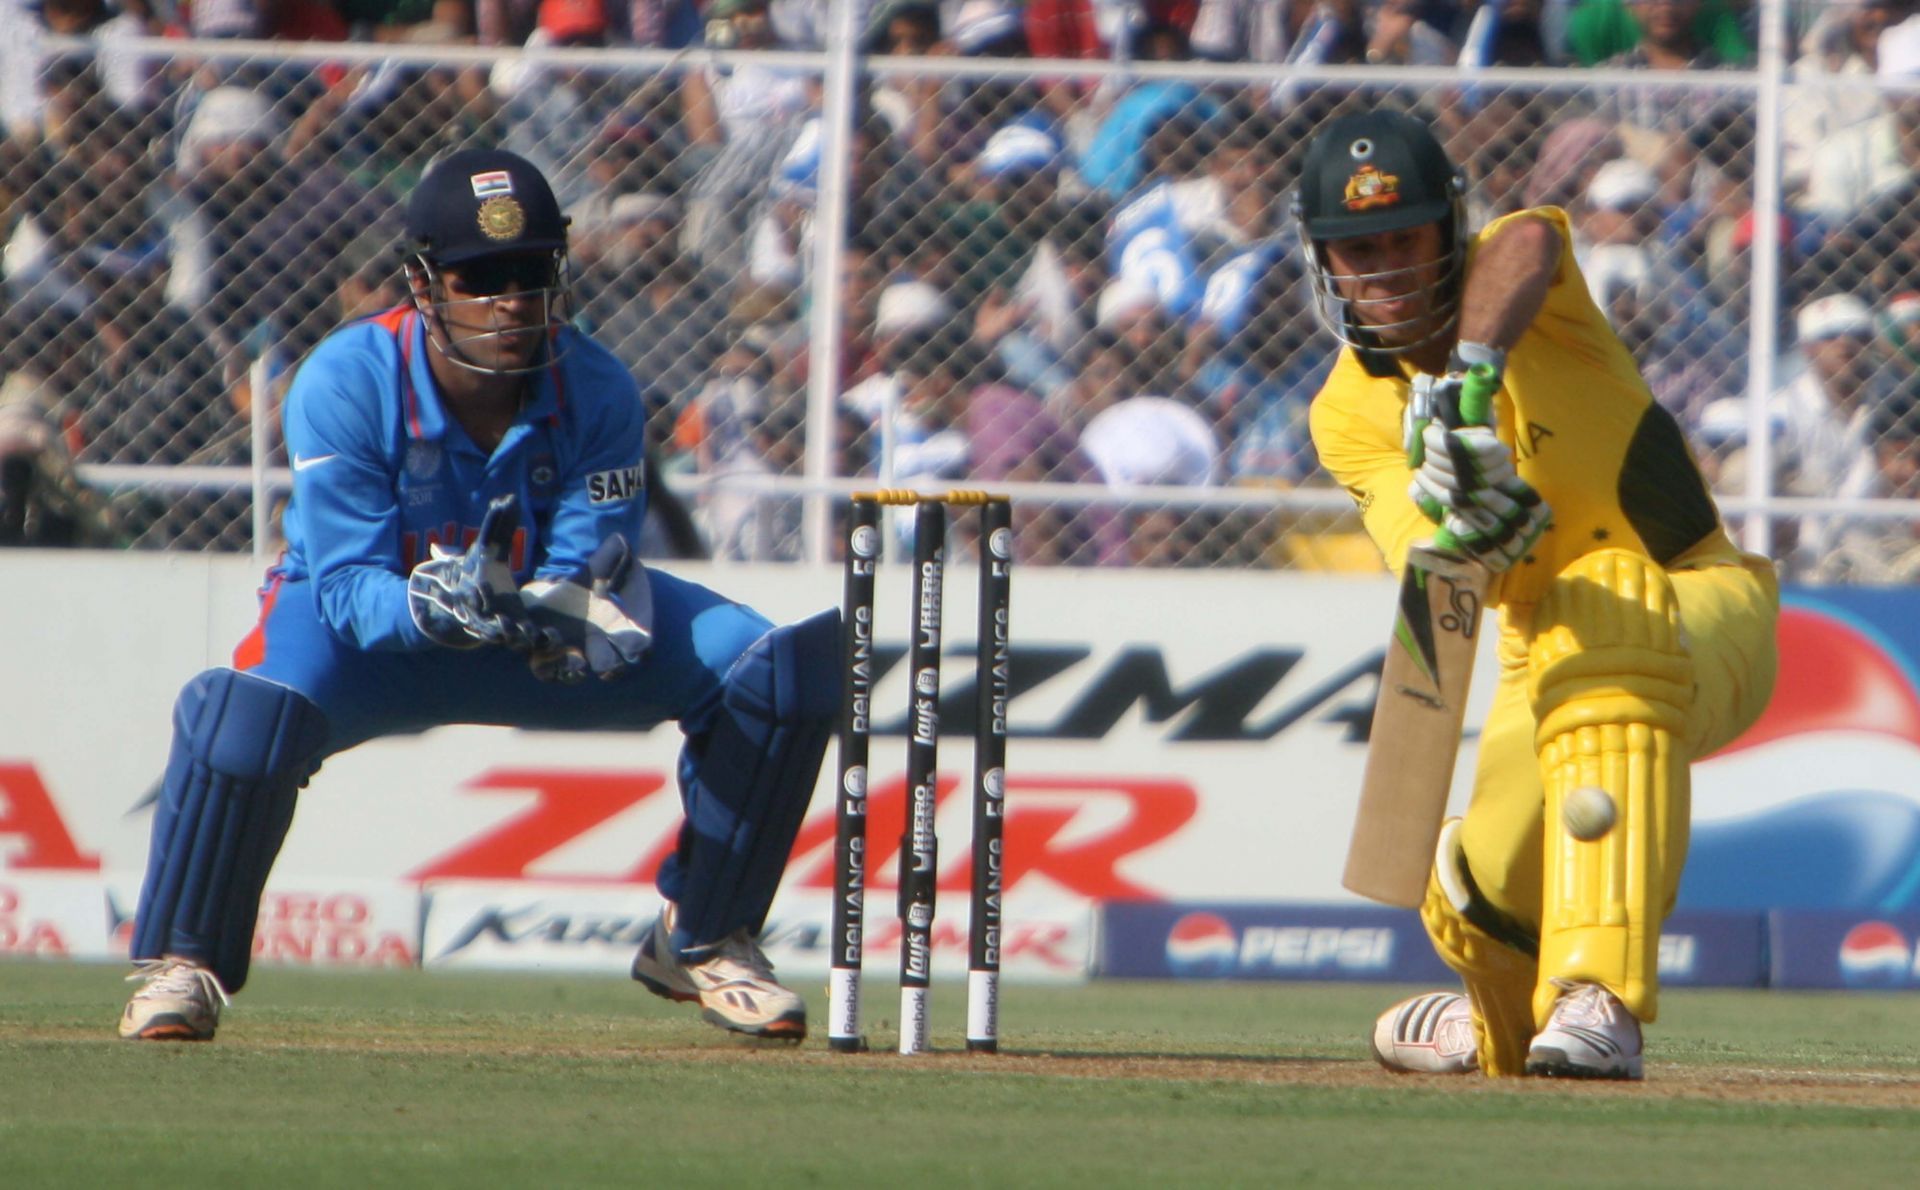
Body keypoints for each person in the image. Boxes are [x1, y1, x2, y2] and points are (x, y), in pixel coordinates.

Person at [117, 149, 837, 1044]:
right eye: (480, 276)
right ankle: (183, 963)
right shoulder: (346, 379)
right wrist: (431, 606)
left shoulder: (600, 386)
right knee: (240, 719)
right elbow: (341, 588)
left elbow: (590, 559)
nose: (509, 300)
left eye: (529, 273)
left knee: (776, 670)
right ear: (424, 284)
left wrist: (578, 616)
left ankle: (703, 937)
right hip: (369, 645)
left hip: (528, 641)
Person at [1295, 110, 1778, 1079]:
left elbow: (1525, 238)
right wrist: (1468, 519)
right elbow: (1433, 568)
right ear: (1324, 264)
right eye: (1358, 250)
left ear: (1449, 231)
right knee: (1480, 886)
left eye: (1405, 238)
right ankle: (1488, 1023)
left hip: (1699, 602)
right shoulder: (1345, 414)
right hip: (1532, 656)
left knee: (1602, 599)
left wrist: (1471, 379)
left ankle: (1599, 991)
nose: (1384, 267)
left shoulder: (1527, 285)